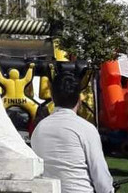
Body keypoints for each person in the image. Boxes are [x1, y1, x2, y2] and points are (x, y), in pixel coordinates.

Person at [30, 64, 113, 193]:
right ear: (79, 100)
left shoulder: (39, 129)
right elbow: (101, 176)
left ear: (52, 97)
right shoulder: (85, 128)